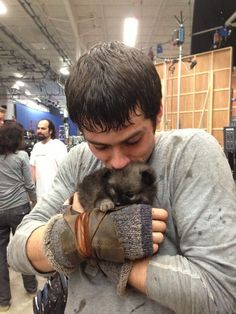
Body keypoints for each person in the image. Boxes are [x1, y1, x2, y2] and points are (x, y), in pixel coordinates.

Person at [8, 42, 236, 313]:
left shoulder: (190, 154)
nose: (117, 162)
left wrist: (105, 255)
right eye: (100, 146)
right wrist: (81, 237)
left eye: (133, 140)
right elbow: (18, 251)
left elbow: (221, 295)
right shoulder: (79, 158)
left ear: (158, 113)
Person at [0, 122, 38, 312]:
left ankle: (4, 301)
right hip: (19, 209)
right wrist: (36, 202)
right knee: (23, 248)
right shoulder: (22, 156)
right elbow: (29, 185)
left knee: (0, 257)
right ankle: (31, 289)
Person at [30, 119, 67, 200]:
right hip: (40, 195)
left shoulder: (58, 146)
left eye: (43, 129)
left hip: (57, 195)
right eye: (38, 128)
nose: (39, 131)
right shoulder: (36, 147)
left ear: (50, 131)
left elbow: (65, 170)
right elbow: (33, 170)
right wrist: (31, 193)